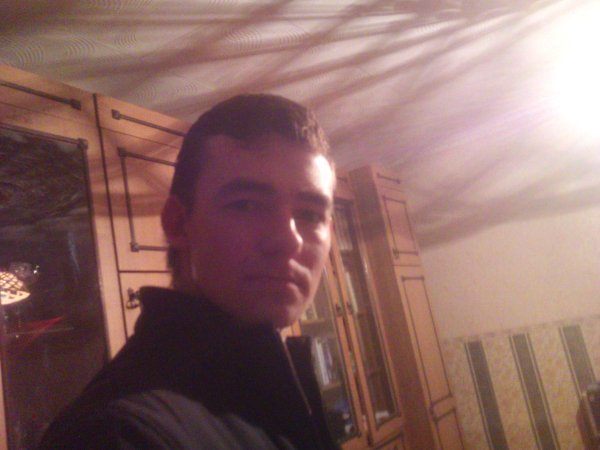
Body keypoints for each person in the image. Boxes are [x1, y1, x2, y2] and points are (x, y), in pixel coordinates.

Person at [38, 94, 339, 449]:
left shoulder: (269, 389)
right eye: (246, 205)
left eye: (310, 215)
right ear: (178, 223)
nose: (289, 241)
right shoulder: (119, 434)